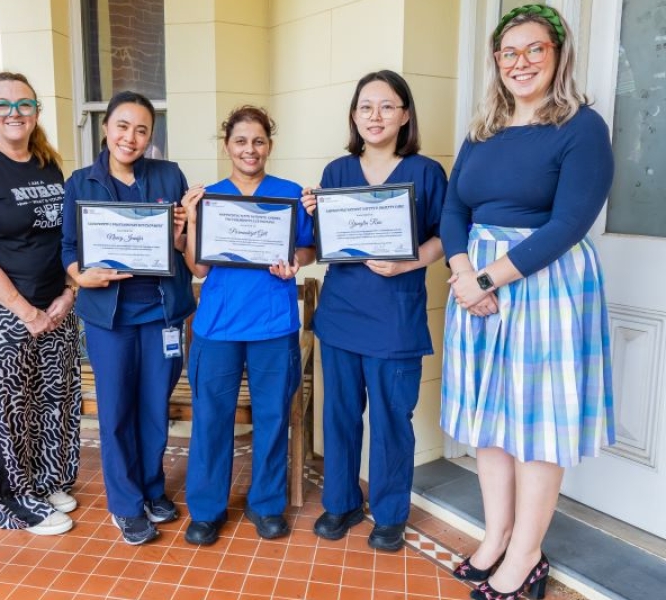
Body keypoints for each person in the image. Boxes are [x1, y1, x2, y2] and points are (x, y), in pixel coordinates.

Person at [440, 5, 614, 599]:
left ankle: (527, 554)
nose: (521, 63)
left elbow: (569, 223)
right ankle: (497, 535)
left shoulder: (581, 127)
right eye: (509, 52)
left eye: (535, 49)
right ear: (496, 61)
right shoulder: (483, 127)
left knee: (536, 427)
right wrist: (463, 271)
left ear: (558, 54)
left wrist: (488, 280)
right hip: (477, 284)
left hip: (542, 286)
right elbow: (454, 206)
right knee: (490, 420)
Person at [301, 70, 447, 552]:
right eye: (366, 106)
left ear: (405, 114)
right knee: (340, 416)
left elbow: (446, 237)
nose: (376, 116)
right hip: (342, 316)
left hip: (396, 320)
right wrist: (313, 215)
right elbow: (324, 246)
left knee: (390, 420)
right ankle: (341, 503)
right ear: (354, 115)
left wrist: (412, 260)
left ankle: (389, 514)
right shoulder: (335, 174)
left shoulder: (427, 172)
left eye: (387, 106)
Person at [0, 72, 81, 537]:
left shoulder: (49, 165)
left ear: (37, 111)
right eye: (2, 105)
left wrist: (67, 293)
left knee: (54, 399)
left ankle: (46, 482)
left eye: (24, 104)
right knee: (5, 406)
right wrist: (26, 312)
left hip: (55, 305)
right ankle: (14, 502)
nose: (14, 113)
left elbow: (66, 238)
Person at [61, 91, 195, 545]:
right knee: (117, 410)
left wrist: (180, 233)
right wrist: (82, 275)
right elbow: (67, 248)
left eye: (141, 130)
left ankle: (152, 489)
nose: (130, 137)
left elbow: (185, 248)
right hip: (109, 316)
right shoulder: (81, 182)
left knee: (154, 407)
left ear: (151, 136)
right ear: (106, 128)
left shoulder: (169, 175)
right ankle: (124, 503)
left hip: (161, 314)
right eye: (122, 126)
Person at [180, 106, 316, 545]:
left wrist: (294, 262)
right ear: (227, 147)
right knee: (211, 420)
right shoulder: (209, 197)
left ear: (269, 146)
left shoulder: (290, 193)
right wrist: (195, 219)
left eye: (258, 141)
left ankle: (267, 504)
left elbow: (307, 251)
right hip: (217, 328)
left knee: (273, 418)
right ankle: (206, 510)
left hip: (273, 326)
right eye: (241, 141)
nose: (250, 149)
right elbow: (198, 268)